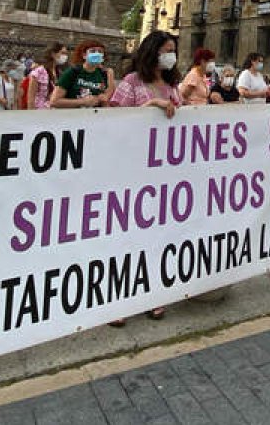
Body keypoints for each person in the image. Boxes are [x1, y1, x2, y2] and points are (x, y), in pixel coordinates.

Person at [107, 30, 180, 322]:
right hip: (131, 171)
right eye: (166, 49)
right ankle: (117, 300)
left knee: (158, 235)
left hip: (165, 173)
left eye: (173, 50)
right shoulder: (131, 83)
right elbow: (114, 122)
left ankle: (152, 293)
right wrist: (149, 107)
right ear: (152, 51)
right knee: (126, 236)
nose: (170, 55)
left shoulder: (172, 86)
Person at [51, 40, 114, 108]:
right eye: (92, 51)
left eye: (100, 51)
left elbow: (105, 102)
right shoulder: (72, 72)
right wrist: (82, 102)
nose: (97, 54)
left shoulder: (104, 74)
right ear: (84, 55)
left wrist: (103, 100)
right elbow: (54, 101)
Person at [26, 43, 67, 110]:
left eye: (65, 54)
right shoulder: (38, 72)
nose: (65, 56)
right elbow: (31, 98)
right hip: (40, 112)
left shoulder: (59, 72)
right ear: (53, 54)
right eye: (62, 53)